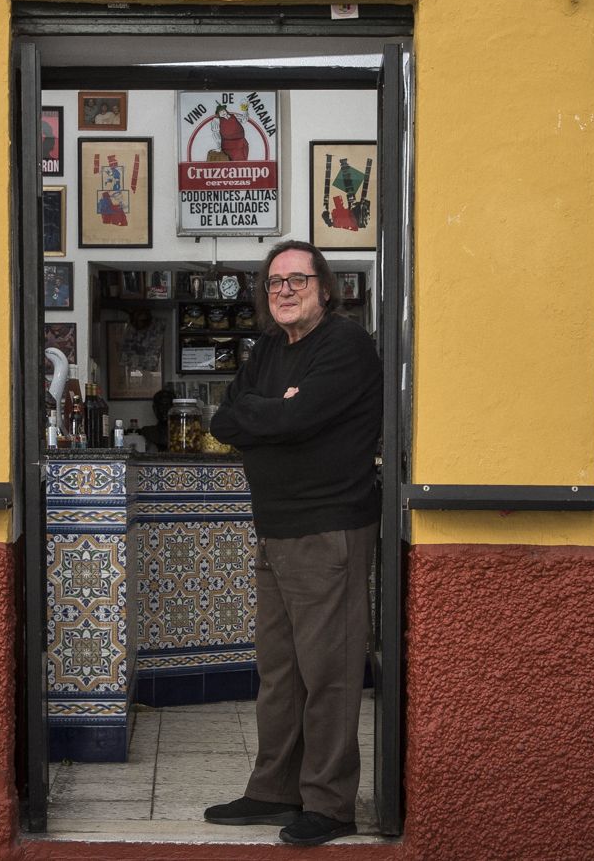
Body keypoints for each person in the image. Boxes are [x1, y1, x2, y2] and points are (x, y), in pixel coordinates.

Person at [202, 239, 382, 847]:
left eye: (297, 280)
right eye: (275, 282)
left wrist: (273, 416)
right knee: (280, 672)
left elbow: (295, 422)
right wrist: (269, 411)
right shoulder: (270, 349)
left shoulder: (346, 344)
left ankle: (330, 804)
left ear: (324, 289)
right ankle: (274, 788)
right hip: (275, 528)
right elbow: (222, 419)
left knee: (328, 672)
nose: (283, 290)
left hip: (328, 528)